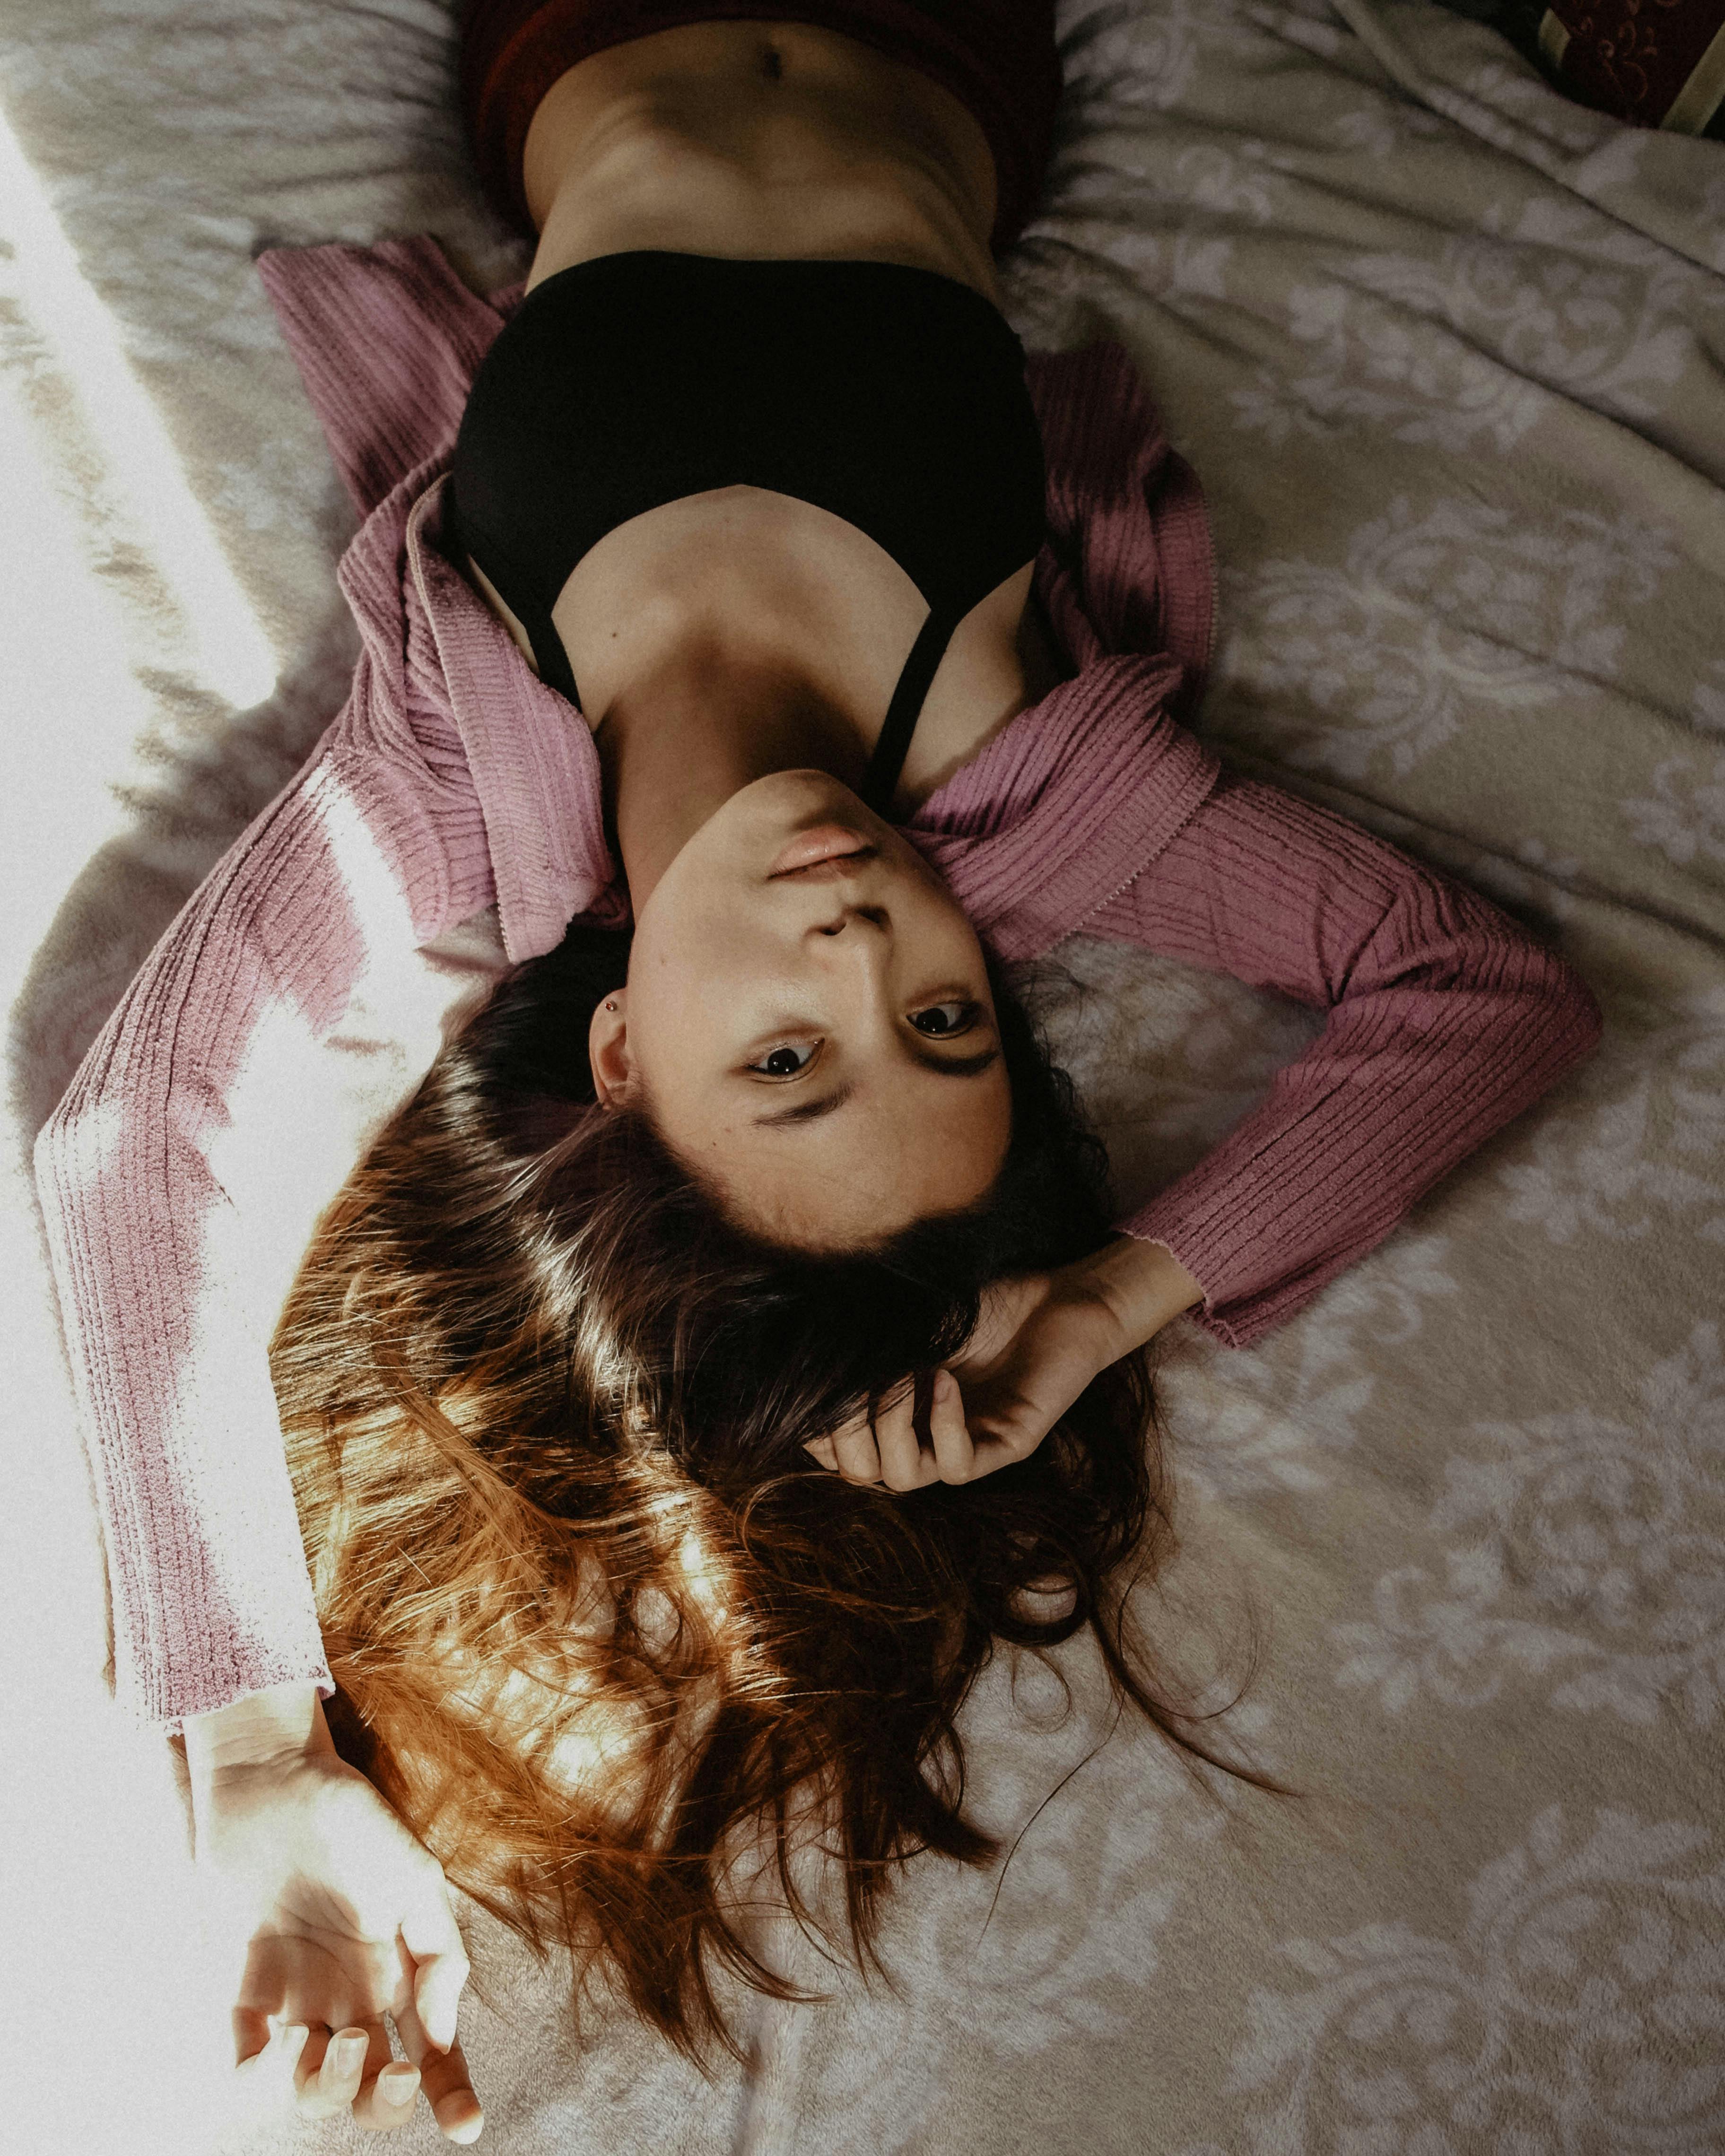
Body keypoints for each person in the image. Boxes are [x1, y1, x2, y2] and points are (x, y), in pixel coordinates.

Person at [33, 0, 1604, 2142]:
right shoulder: (1041, 799)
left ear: (615, 1048)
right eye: (945, 1023)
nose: (867, 945)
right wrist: (1120, 1291)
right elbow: (1484, 990)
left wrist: (252, 1749)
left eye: (785, 1057)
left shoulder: (446, 782)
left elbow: (138, 1134)